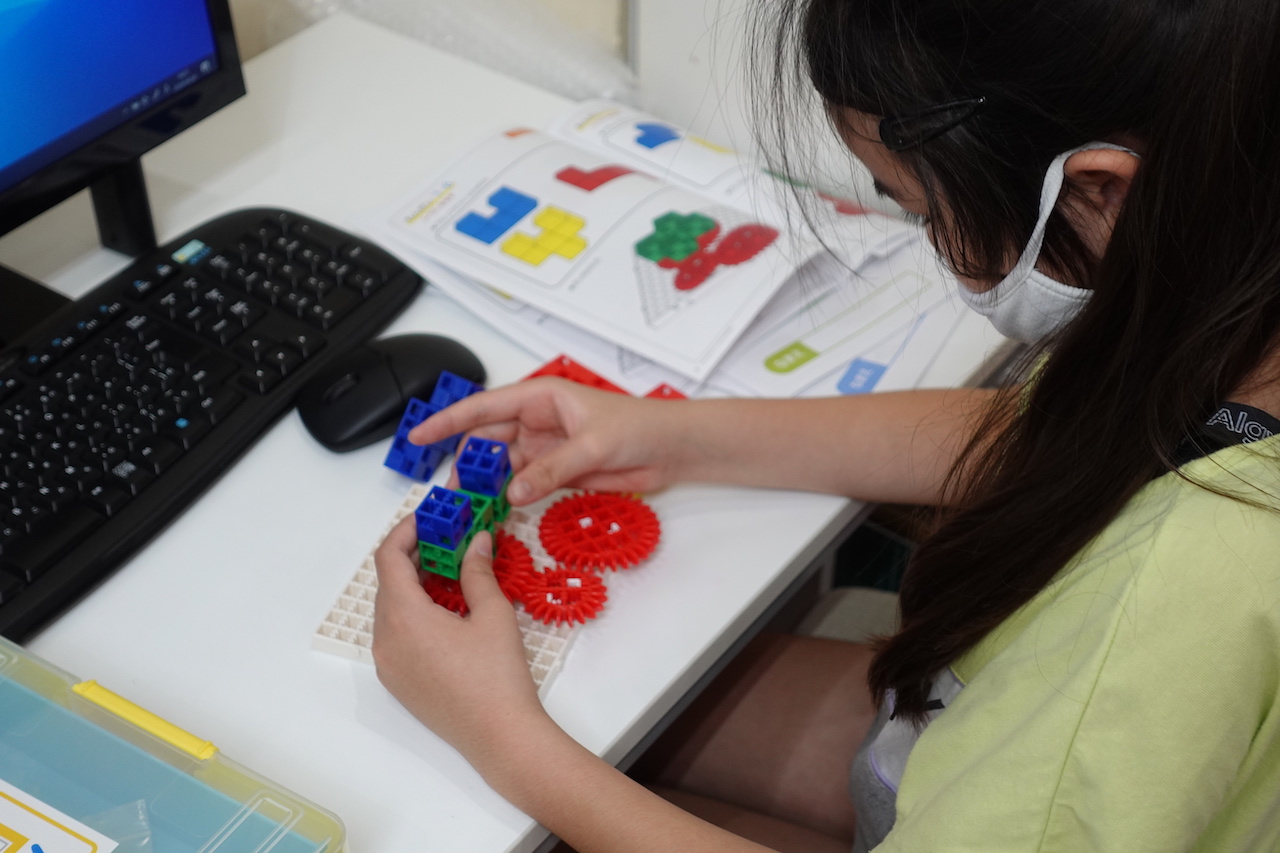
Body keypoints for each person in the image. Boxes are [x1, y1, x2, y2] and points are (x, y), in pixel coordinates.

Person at [372, 0, 1280, 849]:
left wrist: (502, 737)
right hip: (964, 740)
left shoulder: (1158, 608)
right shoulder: (1231, 303)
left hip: (1030, 771)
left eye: (923, 209)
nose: (933, 241)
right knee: (628, 723)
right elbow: (1039, 439)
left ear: (1100, 192)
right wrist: (673, 434)